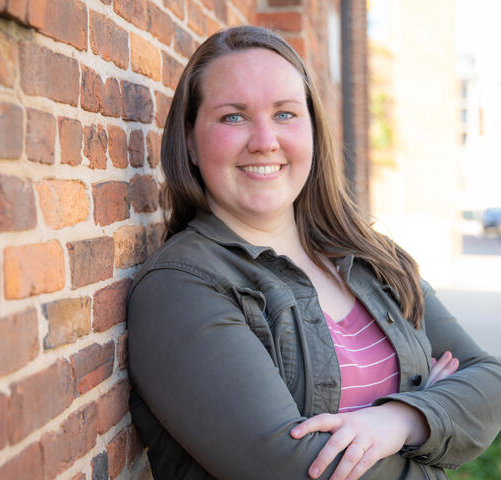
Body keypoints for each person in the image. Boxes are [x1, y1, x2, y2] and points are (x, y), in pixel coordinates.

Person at [126, 25, 501, 480]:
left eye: (285, 114)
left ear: (313, 128)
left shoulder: (369, 258)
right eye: (233, 117)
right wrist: (440, 408)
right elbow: (292, 471)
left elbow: (489, 381)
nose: (265, 140)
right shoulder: (181, 288)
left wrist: (401, 420)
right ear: (189, 140)